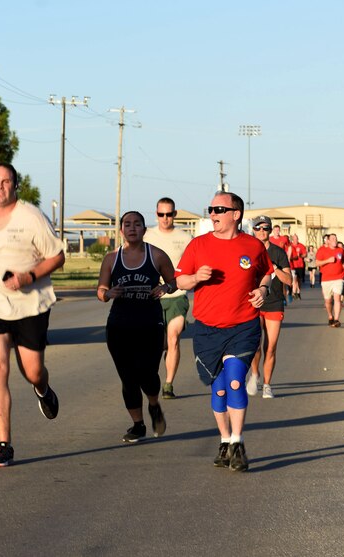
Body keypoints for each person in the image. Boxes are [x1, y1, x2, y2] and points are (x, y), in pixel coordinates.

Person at [0, 163, 65, 467]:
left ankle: (42, 389)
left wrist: (28, 278)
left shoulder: (31, 217)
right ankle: (4, 444)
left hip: (30, 303)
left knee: (31, 370)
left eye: (6, 181)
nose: (0, 186)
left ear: (15, 185)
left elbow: (58, 256)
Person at [175, 192, 272, 472]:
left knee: (234, 383)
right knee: (218, 391)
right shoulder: (198, 244)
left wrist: (262, 290)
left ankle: (238, 444)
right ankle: (225, 439)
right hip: (207, 329)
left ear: (236, 214)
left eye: (219, 209)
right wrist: (195, 278)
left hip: (243, 326)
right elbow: (180, 279)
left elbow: (267, 272)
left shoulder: (253, 246)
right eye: (211, 209)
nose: (213, 214)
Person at [98, 211, 176, 443]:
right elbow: (101, 290)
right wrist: (107, 293)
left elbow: (174, 281)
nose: (132, 228)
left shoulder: (157, 255)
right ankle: (138, 425)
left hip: (150, 325)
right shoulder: (112, 259)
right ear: (121, 230)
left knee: (147, 374)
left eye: (137, 224)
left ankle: (154, 404)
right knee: (128, 377)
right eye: (127, 224)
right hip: (119, 326)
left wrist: (165, 288)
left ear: (144, 229)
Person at [143, 197, 193, 399]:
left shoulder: (185, 238)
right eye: (161, 214)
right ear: (156, 214)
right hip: (152, 297)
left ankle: (168, 384)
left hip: (177, 295)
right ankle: (153, 374)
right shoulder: (147, 236)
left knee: (173, 339)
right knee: (158, 343)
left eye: (169, 214)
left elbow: (193, 266)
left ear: (175, 214)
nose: (165, 218)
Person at [248, 215, 292, 399]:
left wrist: (274, 269)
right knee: (255, 346)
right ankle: (255, 374)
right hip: (254, 303)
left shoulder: (278, 253)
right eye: (258, 228)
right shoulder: (248, 251)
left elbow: (289, 280)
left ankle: (267, 384)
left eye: (265, 228)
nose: (262, 232)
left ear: (270, 230)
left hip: (274, 303)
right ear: (253, 230)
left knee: (271, 346)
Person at [315, 233, 344, 327]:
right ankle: (330, 316)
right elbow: (317, 263)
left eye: (336, 239)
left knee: (337, 299)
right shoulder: (322, 250)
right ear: (328, 241)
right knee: (328, 301)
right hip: (326, 279)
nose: (335, 240)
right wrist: (328, 261)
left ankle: (336, 320)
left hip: (339, 278)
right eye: (332, 239)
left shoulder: (340, 250)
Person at [269, 225, 292, 303]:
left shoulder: (284, 238)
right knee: (275, 281)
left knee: (283, 282)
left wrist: (288, 256)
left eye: (278, 230)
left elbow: (289, 247)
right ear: (273, 231)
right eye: (275, 230)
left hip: (282, 261)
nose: (277, 232)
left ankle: (284, 297)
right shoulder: (270, 239)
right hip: (273, 261)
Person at [288, 233, 306, 300]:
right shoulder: (290, 246)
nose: (295, 240)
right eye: (294, 239)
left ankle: (298, 292)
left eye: (296, 239)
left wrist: (301, 256)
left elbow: (305, 254)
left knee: (299, 280)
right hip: (293, 265)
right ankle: (294, 292)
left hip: (300, 265)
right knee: (294, 280)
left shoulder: (301, 246)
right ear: (292, 239)